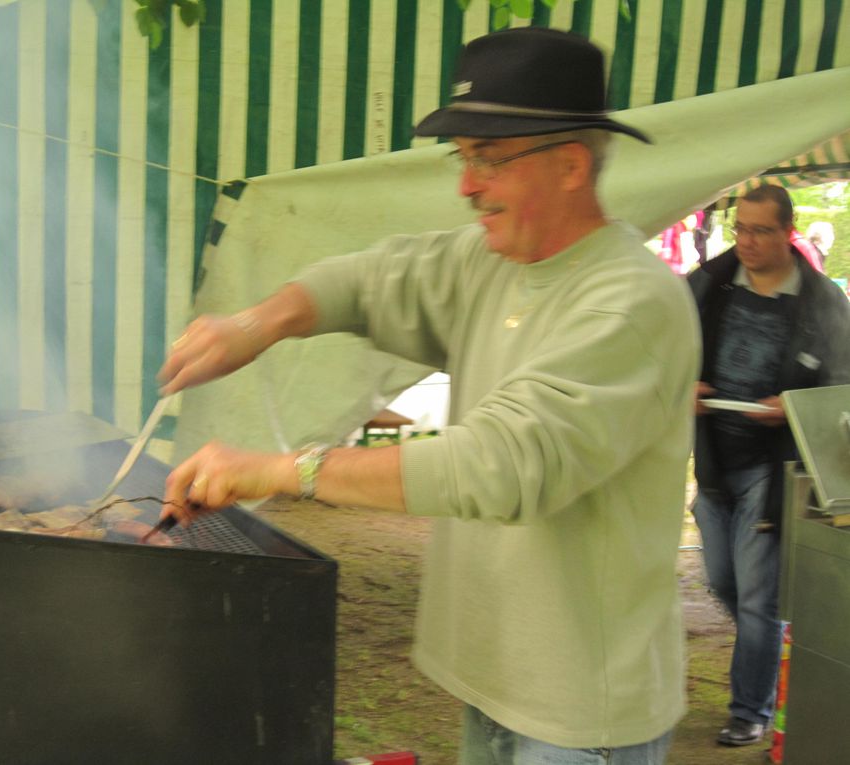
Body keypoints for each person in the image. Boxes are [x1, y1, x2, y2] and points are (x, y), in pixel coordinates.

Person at [159, 28, 700, 765]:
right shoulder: (491, 262)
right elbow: (370, 278)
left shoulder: (632, 301)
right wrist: (256, 323)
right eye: (464, 158)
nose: (466, 185)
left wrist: (288, 470)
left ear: (571, 165)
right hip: (497, 680)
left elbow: (502, 464)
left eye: (488, 159)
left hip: (580, 713)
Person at [688, 184, 850, 747]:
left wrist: (795, 407)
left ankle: (750, 708)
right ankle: (767, 644)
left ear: (789, 231)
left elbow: (841, 388)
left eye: (761, 231)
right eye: (742, 230)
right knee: (723, 580)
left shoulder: (823, 301)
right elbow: (667, 348)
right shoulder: (708, 285)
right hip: (713, 459)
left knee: (757, 595)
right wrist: (684, 382)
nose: (749, 242)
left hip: (771, 467)